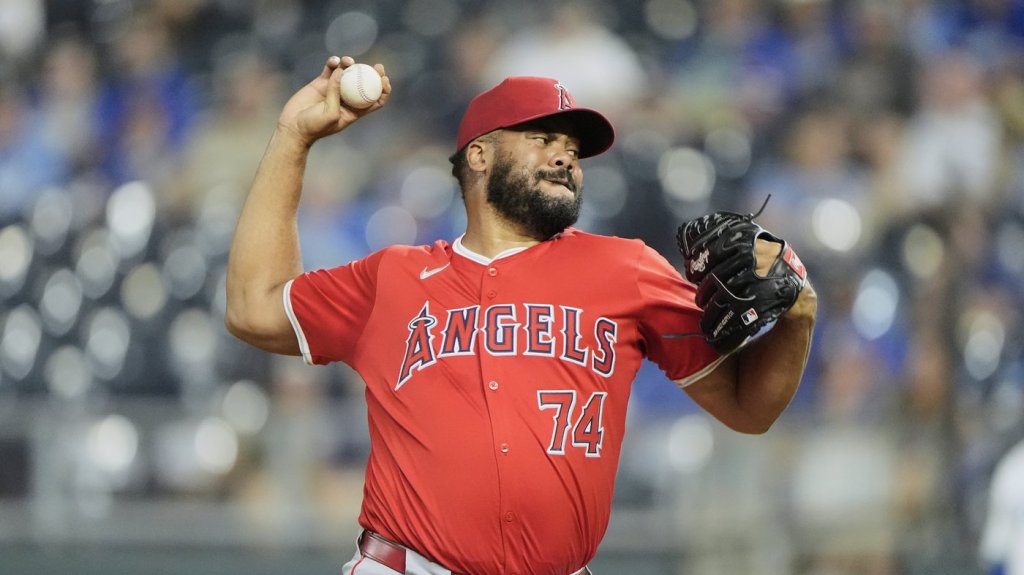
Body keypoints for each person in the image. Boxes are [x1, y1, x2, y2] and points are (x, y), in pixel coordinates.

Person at [225, 55, 817, 575]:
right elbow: (253, 306)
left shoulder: (627, 269)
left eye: (574, 150)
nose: (566, 157)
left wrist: (799, 315)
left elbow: (749, 408)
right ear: (479, 154)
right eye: (543, 137)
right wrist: (293, 138)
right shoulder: (393, 278)